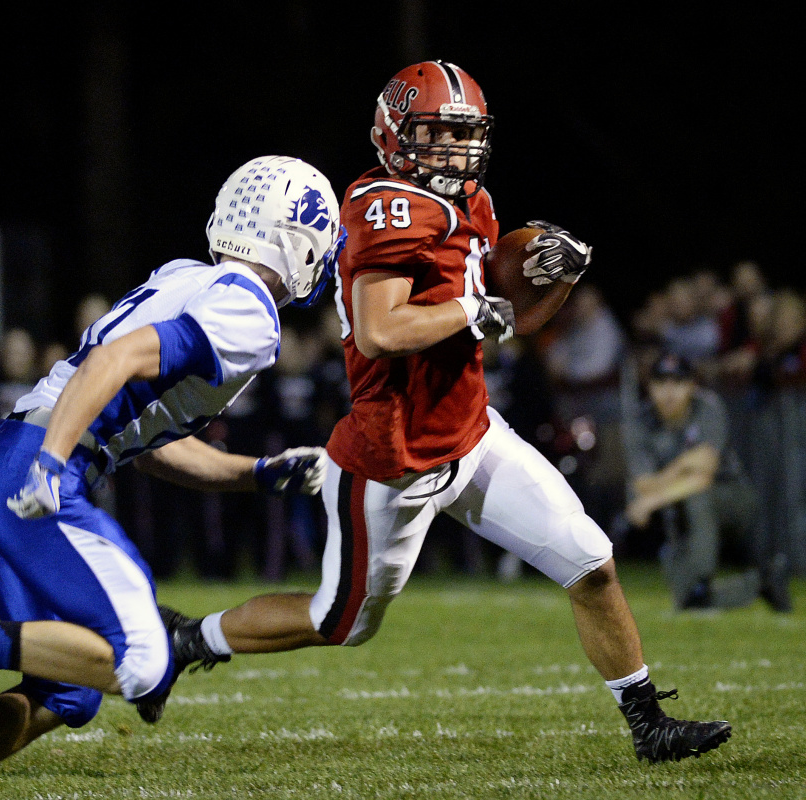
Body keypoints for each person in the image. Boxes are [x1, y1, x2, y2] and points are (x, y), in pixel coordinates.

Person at [156, 61, 732, 764]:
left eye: (466, 135)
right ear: (395, 132)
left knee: (593, 564)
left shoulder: (472, 203)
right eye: (439, 133)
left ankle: (649, 725)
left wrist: (561, 281)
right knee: (340, 621)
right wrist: (473, 307)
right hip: (392, 458)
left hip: (472, 433)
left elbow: (505, 321)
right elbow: (381, 330)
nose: (456, 150)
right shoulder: (381, 207)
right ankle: (190, 639)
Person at [0, 155, 344, 800]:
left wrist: (258, 474)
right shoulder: (250, 313)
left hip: (4, 462)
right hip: (36, 471)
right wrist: (51, 462)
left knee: (68, 689)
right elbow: (114, 359)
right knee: (146, 659)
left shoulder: (189, 278)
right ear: (298, 242)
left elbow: (143, 439)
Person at [623, 351, 791, 612]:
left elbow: (704, 473)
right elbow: (643, 484)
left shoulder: (707, 407)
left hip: (734, 499)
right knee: (688, 603)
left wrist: (655, 495)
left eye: (677, 383)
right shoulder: (642, 422)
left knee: (696, 496)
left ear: (692, 385)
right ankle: (762, 582)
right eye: (660, 383)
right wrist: (684, 465)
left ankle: (703, 578)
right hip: (677, 512)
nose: (669, 392)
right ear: (650, 386)